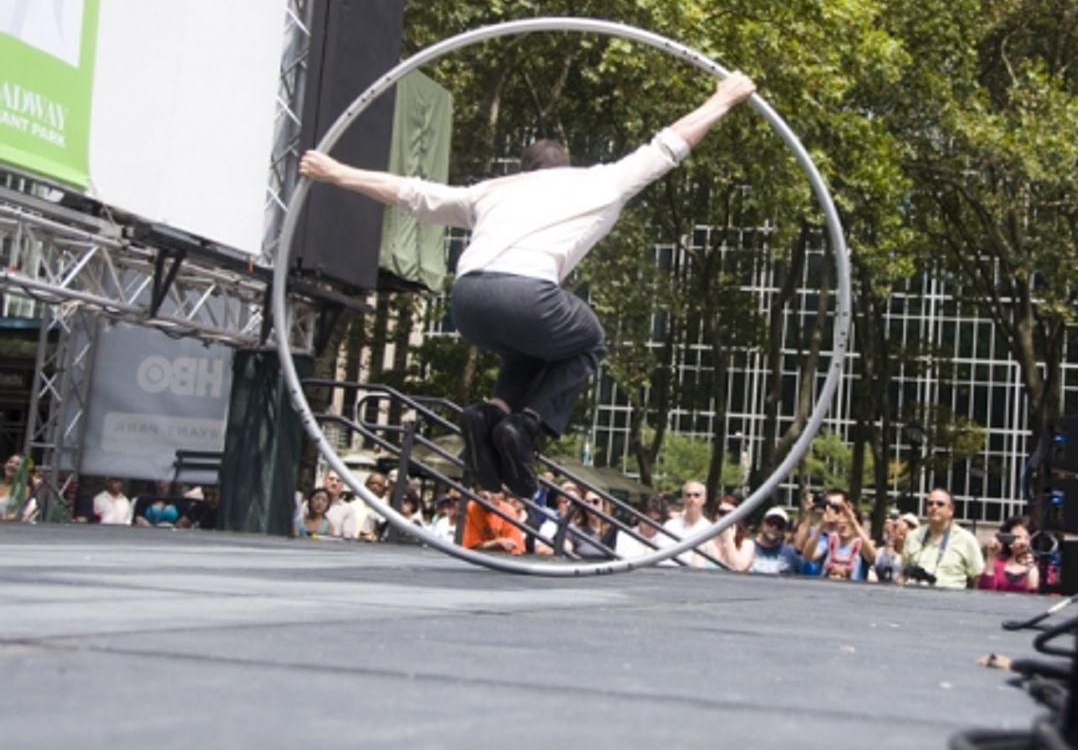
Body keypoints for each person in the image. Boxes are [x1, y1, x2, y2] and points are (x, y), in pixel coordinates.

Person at [299, 72, 757, 498]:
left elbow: (414, 194)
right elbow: (670, 144)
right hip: (527, 294)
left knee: (531, 348)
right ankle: (529, 425)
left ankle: (492, 413)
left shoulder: (491, 190)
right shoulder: (601, 181)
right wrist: (725, 97)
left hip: (468, 301)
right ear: (565, 167)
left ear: (524, 168)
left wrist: (336, 172)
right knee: (588, 340)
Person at [901, 488, 985, 589]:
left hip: (949, 602)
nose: (934, 507)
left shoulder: (966, 539)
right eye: (930, 504)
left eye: (940, 504)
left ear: (951, 510)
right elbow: (904, 573)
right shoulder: (913, 536)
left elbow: (978, 578)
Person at [802, 490, 876, 581]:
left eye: (847, 520)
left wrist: (853, 522)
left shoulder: (860, 544)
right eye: (840, 518)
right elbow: (808, 556)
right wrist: (821, 527)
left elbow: (871, 556)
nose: (843, 523)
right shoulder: (829, 541)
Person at [662, 480, 719, 568]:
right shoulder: (669, 526)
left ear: (704, 499)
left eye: (696, 495)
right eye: (688, 495)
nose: (692, 499)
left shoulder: (710, 530)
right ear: (683, 499)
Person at [978, 516, 1040, 593]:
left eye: (1026, 538)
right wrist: (991, 557)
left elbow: (1033, 590)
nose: (1022, 542)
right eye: (1017, 537)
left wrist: (1030, 565)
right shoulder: (998, 563)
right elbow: (985, 591)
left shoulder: (1038, 566)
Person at [462, 491, 526, 554]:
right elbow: (471, 546)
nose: (487, 494)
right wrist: (497, 542)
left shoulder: (508, 511)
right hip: (477, 557)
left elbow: (515, 548)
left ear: (501, 495)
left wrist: (495, 544)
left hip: (503, 559)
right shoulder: (472, 507)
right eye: (484, 490)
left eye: (492, 492)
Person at [748, 506, 802, 575]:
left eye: (779, 525)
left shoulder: (790, 553)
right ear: (762, 524)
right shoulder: (747, 548)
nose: (774, 527)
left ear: (784, 529)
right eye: (770, 522)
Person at [713, 494, 755, 571]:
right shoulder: (706, 542)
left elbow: (738, 568)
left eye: (730, 514)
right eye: (722, 513)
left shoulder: (747, 544)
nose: (726, 517)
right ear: (716, 516)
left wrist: (729, 540)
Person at [873, 512, 917, 583]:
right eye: (897, 527)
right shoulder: (881, 552)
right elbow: (883, 570)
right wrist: (890, 536)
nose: (903, 529)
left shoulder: (917, 555)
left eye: (910, 527)